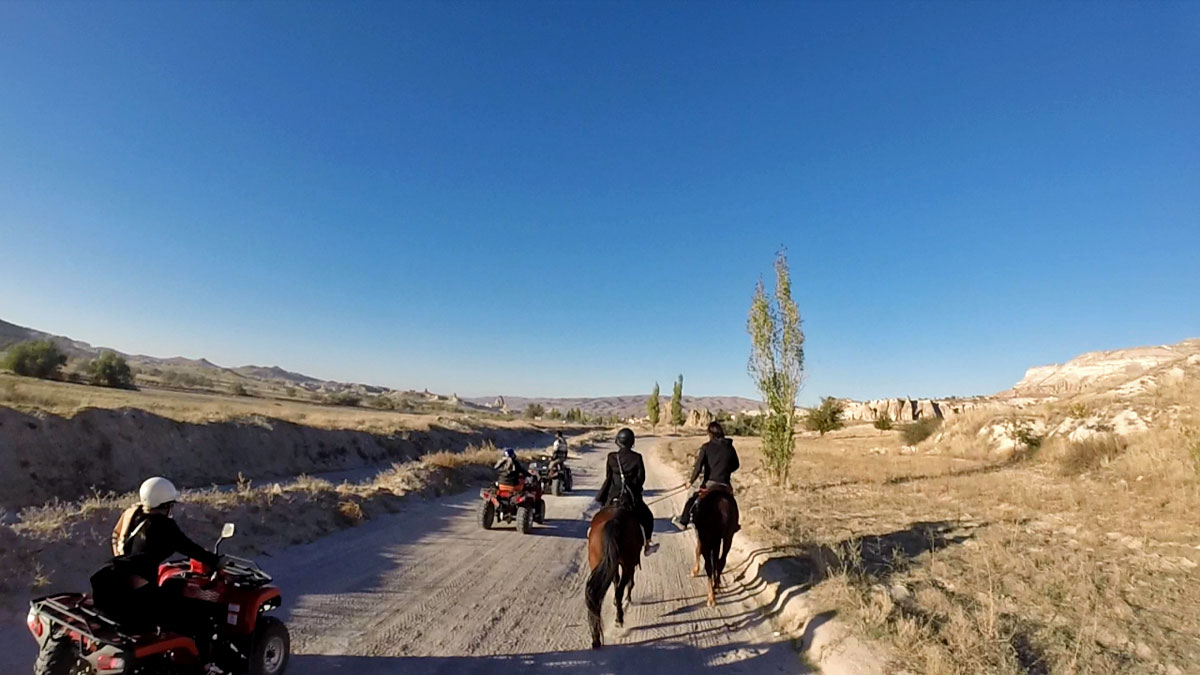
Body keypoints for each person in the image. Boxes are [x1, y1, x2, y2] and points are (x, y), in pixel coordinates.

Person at [91, 477, 223, 630]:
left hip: (121, 586)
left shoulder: (133, 515)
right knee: (199, 616)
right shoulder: (163, 526)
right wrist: (216, 561)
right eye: (171, 505)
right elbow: (190, 548)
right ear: (166, 505)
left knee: (172, 585)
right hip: (143, 595)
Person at [595, 427, 656, 556]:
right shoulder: (637, 458)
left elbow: (609, 477)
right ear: (631, 442)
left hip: (613, 496)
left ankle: (592, 533)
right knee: (648, 517)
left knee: (601, 514)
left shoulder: (612, 457)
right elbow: (641, 479)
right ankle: (648, 545)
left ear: (618, 441)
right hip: (630, 497)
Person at [672, 421, 740, 529]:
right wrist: (725, 471)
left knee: (691, 495)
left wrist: (690, 482)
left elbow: (698, 467)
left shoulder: (706, 447)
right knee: (732, 501)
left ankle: (683, 521)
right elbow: (736, 465)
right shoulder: (729, 447)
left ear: (710, 433)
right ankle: (734, 524)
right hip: (725, 483)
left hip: (710, 482)